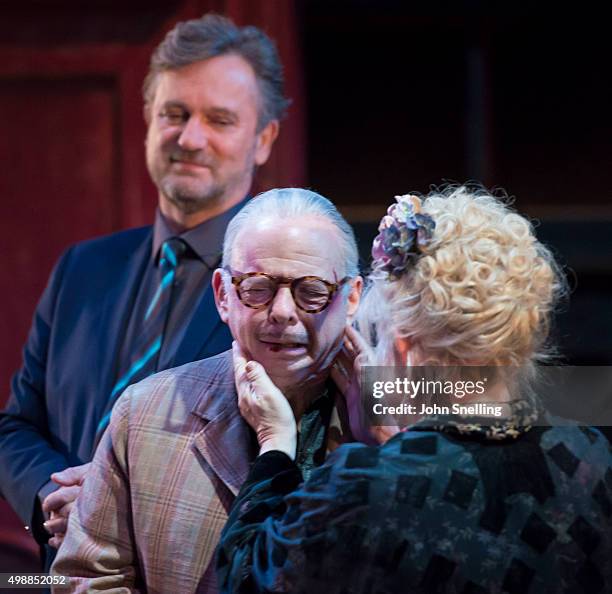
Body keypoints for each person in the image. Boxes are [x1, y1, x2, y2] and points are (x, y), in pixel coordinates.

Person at [216, 187, 612, 593]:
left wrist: (275, 446)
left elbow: (244, 577)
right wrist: (399, 444)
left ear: (404, 351)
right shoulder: (591, 458)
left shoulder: (364, 486)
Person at [0, 13, 286, 569]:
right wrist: (49, 495)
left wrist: (108, 501)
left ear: (263, 140)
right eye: (174, 114)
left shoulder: (292, 289)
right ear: (148, 120)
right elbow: (16, 426)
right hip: (55, 579)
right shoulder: (82, 269)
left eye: (219, 119)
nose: (190, 137)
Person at [50, 188, 363, 593]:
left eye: (312, 292)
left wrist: (387, 431)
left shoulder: (404, 414)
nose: (283, 312)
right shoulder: (144, 413)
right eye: (257, 288)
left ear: (352, 297)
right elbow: (86, 578)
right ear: (222, 295)